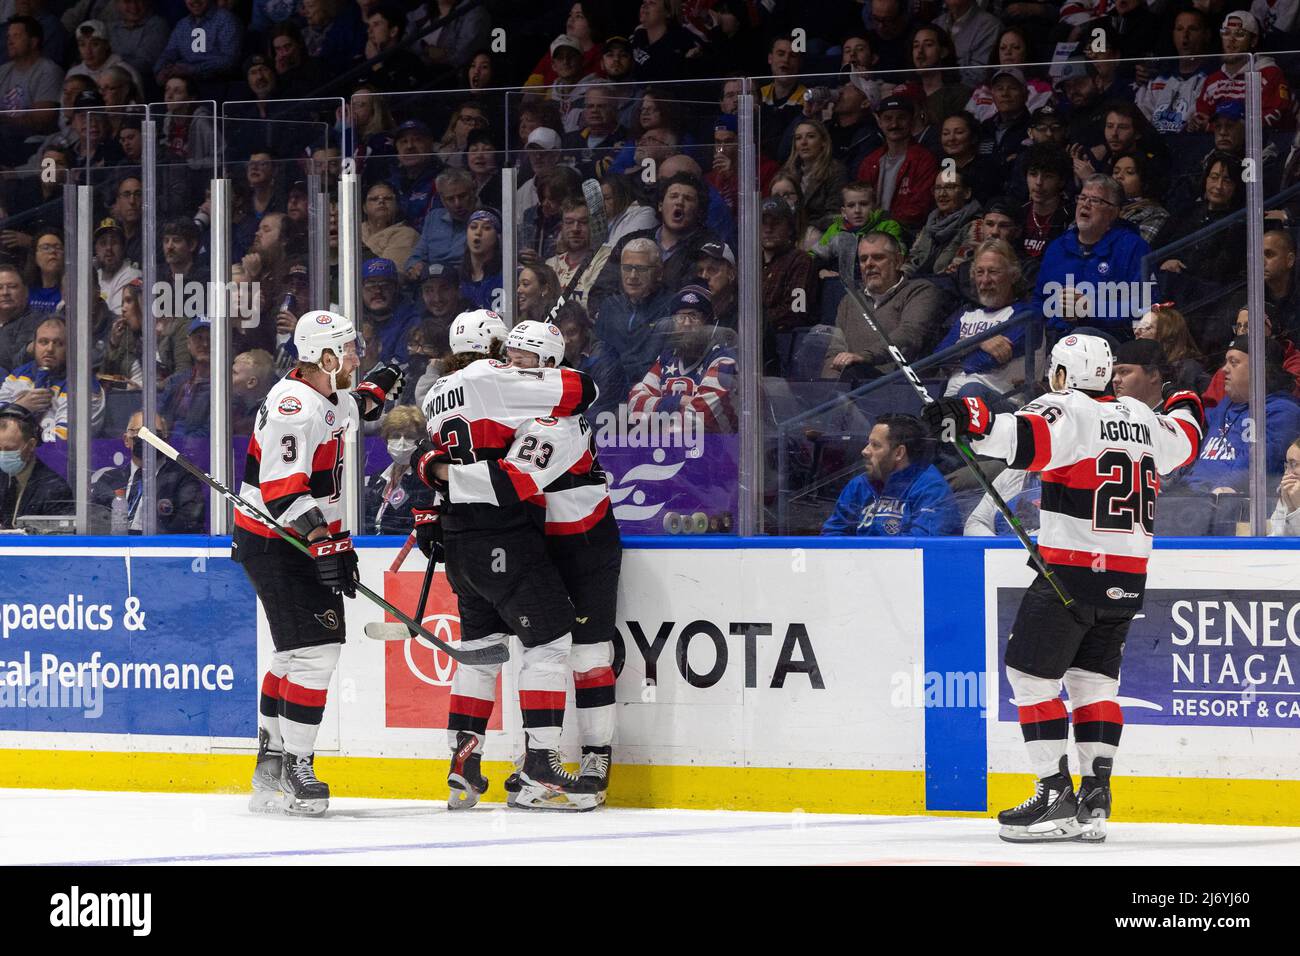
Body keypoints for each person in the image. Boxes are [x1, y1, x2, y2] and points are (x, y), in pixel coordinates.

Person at [924, 334, 1204, 843]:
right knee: (1093, 683)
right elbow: (1186, 434)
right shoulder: (1141, 416)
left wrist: (964, 415)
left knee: (1030, 678)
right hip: (1127, 579)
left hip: (1070, 576)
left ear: (1061, 374)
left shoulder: (1066, 409)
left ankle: (1054, 794)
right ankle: (1094, 799)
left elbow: (1019, 438)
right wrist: (1186, 399)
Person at [408, 309, 599, 811]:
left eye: (525, 357)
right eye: (510, 352)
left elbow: (435, 456)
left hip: (459, 539)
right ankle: (539, 768)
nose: (516, 362)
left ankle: (463, 763)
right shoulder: (500, 383)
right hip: (504, 535)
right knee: (551, 643)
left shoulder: (435, 392)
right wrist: (443, 475)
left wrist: (431, 484)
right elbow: (583, 391)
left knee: (482, 650)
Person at [236, 310, 403, 816]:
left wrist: (377, 389)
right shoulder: (292, 408)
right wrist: (326, 542)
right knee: (317, 653)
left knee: (294, 655)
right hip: (278, 540)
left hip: (294, 539)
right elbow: (284, 491)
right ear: (325, 357)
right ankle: (296, 764)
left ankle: (271, 758)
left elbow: (352, 406)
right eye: (350, 351)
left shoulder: (323, 395)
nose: (358, 357)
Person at [1033, 175, 1148, 341]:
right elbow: (1038, 302)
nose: (1085, 204)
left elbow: (1145, 306)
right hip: (1054, 341)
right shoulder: (1057, 248)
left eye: (1095, 200)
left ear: (1114, 211)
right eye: (1082, 197)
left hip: (1109, 341)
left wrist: (1091, 309)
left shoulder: (1133, 247)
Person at [823, 231, 949, 382]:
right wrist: (829, 390)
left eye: (878, 257)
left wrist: (864, 357)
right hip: (851, 390)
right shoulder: (850, 301)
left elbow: (909, 334)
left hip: (901, 389)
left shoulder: (922, 291)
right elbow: (835, 352)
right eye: (863, 259)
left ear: (898, 261)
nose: (869, 264)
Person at [1184, 336, 1300, 497]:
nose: (1224, 369)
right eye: (1226, 362)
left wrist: (1222, 491)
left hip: (1228, 506)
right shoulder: (1224, 406)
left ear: (1261, 369)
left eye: (1234, 362)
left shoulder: (1283, 412)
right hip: (1192, 497)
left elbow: (1259, 464)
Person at [935, 239, 1035, 410]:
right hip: (953, 400)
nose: (985, 280)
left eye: (993, 272)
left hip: (1005, 405)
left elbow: (984, 361)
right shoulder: (967, 316)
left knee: (970, 391)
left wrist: (958, 351)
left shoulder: (1025, 315)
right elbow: (938, 358)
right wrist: (977, 341)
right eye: (979, 272)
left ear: (1012, 275)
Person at [821, 412, 960, 536]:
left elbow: (918, 549)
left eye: (875, 445)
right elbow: (833, 533)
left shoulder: (931, 489)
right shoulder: (859, 484)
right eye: (868, 443)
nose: (865, 451)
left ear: (899, 453)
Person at [627, 285, 737, 433]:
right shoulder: (667, 358)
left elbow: (703, 415)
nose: (686, 323)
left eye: (693, 316)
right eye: (680, 317)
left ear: (708, 324)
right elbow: (635, 402)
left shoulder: (722, 360)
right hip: (667, 449)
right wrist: (678, 401)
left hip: (713, 450)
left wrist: (660, 424)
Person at [90, 411, 205, 533]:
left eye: (155, 433)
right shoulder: (109, 479)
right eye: (140, 432)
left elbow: (189, 524)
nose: (147, 439)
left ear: (166, 441)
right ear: (126, 440)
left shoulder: (183, 479)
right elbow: (94, 522)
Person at [0, 316, 105, 442]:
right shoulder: (18, 375)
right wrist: (20, 407)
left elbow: (62, 441)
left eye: (59, 343)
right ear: (34, 346)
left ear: (71, 348)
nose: (49, 349)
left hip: (59, 460)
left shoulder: (83, 384)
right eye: (43, 342)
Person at [593, 237, 676, 387]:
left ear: (659, 272)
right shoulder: (610, 306)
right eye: (627, 268)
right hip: (609, 388)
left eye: (641, 269)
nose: (632, 276)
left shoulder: (671, 307)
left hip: (649, 390)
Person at [854, 95, 939, 235]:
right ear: (879, 122)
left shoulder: (925, 160)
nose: (894, 124)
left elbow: (919, 208)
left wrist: (883, 221)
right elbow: (858, 201)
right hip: (868, 232)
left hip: (907, 232)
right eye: (888, 118)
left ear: (912, 120)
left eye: (901, 118)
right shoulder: (870, 161)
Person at [365, 405, 436, 536]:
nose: (402, 442)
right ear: (386, 439)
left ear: (420, 439)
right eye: (396, 436)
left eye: (409, 436)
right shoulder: (378, 478)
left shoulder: (425, 479)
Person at [0, 402, 71, 530]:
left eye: (9, 449)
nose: (2, 454)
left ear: (31, 445)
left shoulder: (55, 490)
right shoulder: (2, 478)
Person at [1110, 338, 1168, 408]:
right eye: (1114, 374)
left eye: (1123, 372)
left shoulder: (1177, 415)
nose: (1115, 379)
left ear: (1153, 375)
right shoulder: (1112, 414)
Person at [1268, 438, 1300, 536]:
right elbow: (1276, 541)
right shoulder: (1288, 494)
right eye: (1287, 465)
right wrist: (1290, 507)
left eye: (1294, 464)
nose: (1287, 473)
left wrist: (1297, 508)